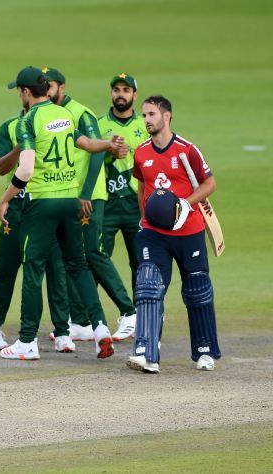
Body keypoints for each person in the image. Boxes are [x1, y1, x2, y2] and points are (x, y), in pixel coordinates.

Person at [0, 66, 126, 361]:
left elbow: (26, 168)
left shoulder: (28, 120)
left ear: (26, 92)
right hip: (70, 201)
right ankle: (101, 330)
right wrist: (108, 143)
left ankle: (27, 341)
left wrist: (5, 198)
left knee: (33, 269)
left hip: (42, 203)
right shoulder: (65, 114)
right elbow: (88, 145)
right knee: (78, 266)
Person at [128, 95, 220, 374]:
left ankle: (205, 352)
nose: (146, 120)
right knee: (148, 286)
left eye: (151, 115)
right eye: (144, 115)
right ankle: (146, 353)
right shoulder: (141, 152)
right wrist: (145, 217)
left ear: (166, 116)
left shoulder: (187, 150)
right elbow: (142, 186)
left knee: (197, 290)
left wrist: (185, 204)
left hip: (189, 231)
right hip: (154, 234)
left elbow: (210, 183)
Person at [45, 67, 136, 342]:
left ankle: (129, 311)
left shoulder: (81, 113)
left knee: (93, 253)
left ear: (62, 86)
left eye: (49, 86)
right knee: (74, 257)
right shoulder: (52, 114)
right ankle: (82, 321)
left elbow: (97, 153)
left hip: (90, 195)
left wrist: (85, 193)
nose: (45, 92)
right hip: (69, 195)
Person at [0, 108, 75, 353]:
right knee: (7, 266)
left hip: (43, 206)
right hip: (17, 208)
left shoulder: (57, 124)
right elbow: (1, 168)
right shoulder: (10, 126)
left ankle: (63, 332)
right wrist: (23, 144)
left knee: (55, 266)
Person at [98, 73, 149, 340]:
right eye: (116, 89)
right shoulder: (99, 125)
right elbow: (89, 164)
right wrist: (108, 154)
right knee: (97, 257)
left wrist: (130, 153)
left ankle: (141, 316)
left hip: (134, 203)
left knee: (139, 262)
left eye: (126, 90)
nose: (121, 94)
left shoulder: (144, 126)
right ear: (111, 94)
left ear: (134, 95)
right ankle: (87, 319)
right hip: (106, 202)